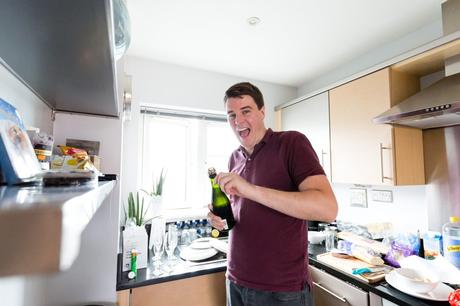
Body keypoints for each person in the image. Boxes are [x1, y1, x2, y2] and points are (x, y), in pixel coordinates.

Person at [207, 82, 338, 306]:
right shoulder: (234, 158)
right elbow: (241, 214)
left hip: (281, 291)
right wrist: (220, 218)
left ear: (262, 111)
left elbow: (328, 209)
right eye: (231, 115)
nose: (238, 121)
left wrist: (249, 189)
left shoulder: (291, 143)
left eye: (245, 111)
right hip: (235, 280)